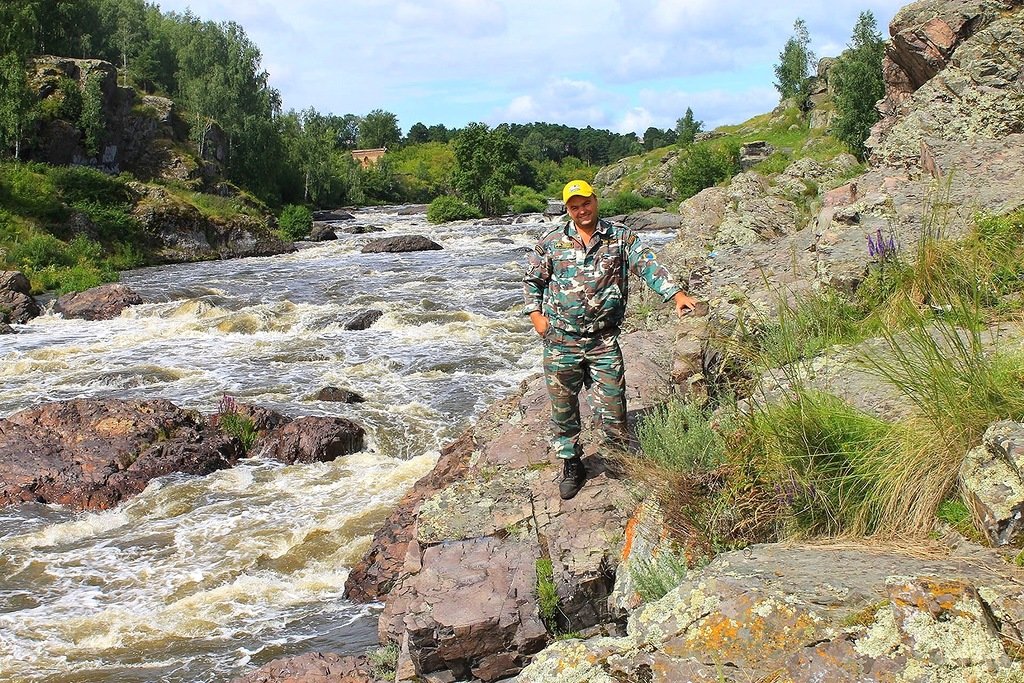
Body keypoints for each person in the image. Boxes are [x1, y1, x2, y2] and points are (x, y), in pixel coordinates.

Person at [523, 179, 697, 500]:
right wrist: (536, 316)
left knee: (614, 404)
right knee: (563, 407)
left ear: (595, 200)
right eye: (574, 206)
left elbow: (647, 263)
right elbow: (533, 281)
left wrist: (676, 294)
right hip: (561, 341)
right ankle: (572, 462)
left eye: (586, 203)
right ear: (567, 209)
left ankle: (617, 455)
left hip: (603, 340)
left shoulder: (619, 237)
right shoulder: (551, 241)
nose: (582, 210)